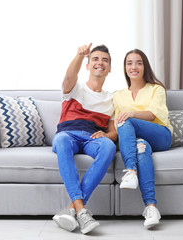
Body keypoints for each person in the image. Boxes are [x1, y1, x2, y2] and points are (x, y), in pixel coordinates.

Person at [52, 43, 117, 234]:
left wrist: (107, 135)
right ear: (88, 65)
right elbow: (69, 76)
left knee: (109, 147)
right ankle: (81, 210)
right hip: (68, 134)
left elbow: (114, 133)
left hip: (92, 138)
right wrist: (80, 55)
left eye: (105, 60)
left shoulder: (111, 99)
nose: (100, 62)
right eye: (95, 59)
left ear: (110, 68)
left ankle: (73, 209)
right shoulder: (74, 88)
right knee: (62, 141)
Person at [113, 49, 173, 229]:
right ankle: (151, 207)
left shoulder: (157, 89)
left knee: (126, 118)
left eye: (138, 62)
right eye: (129, 63)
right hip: (138, 140)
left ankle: (130, 170)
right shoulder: (118, 95)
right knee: (141, 147)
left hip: (161, 135)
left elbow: (153, 114)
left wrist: (131, 114)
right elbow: (116, 124)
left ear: (145, 66)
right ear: (125, 68)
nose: (134, 67)